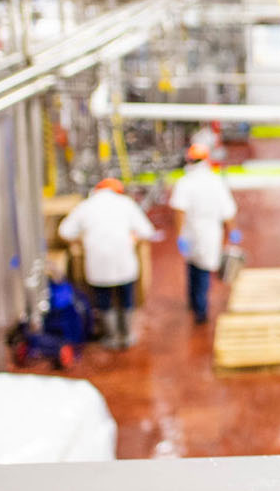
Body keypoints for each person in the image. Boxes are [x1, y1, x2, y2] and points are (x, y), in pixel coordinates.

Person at [57, 177, 159, 349]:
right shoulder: (126, 204)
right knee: (126, 298)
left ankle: (111, 337)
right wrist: (133, 237)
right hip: (124, 262)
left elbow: (64, 232)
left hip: (98, 264)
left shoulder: (86, 206)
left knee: (104, 300)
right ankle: (126, 335)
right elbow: (147, 231)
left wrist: (81, 240)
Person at [170, 142, 238, 325]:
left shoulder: (185, 182)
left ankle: (197, 306)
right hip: (209, 231)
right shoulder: (215, 181)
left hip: (192, 230)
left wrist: (180, 235)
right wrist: (232, 231)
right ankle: (199, 308)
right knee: (202, 270)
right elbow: (228, 210)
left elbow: (179, 210)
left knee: (194, 268)